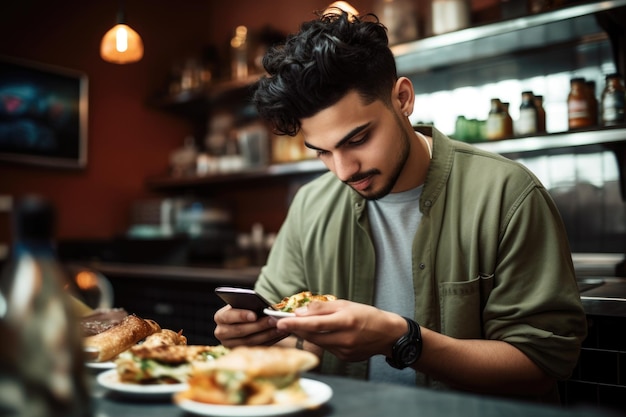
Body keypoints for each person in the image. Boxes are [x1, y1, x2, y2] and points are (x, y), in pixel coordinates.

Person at [213, 8, 587, 403]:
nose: (343, 170)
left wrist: (402, 339)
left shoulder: (508, 194)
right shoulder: (311, 205)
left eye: (357, 139)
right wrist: (253, 340)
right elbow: (285, 344)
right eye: (322, 152)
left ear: (403, 99)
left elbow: (541, 366)